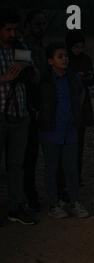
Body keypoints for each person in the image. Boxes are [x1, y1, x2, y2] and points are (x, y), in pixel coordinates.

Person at [39, 43, 89, 219]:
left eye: (66, 56)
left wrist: (76, 117)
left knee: (71, 168)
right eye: (60, 56)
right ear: (50, 61)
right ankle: (54, 203)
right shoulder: (44, 80)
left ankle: (74, 201)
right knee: (52, 168)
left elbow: (81, 94)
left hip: (70, 130)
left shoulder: (72, 78)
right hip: (51, 130)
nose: (65, 59)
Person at [0, 8, 36, 225]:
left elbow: (34, 76)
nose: (12, 33)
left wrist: (28, 71)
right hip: (1, 112)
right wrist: (4, 78)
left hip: (20, 114)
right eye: (8, 29)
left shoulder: (21, 48)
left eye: (15, 29)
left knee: (16, 164)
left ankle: (16, 206)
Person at [22, 10, 48, 212]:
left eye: (44, 24)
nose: (42, 28)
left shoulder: (40, 46)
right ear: (29, 24)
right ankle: (27, 196)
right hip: (27, 106)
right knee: (26, 156)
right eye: (38, 24)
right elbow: (25, 79)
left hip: (40, 105)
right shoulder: (23, 47)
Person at [65, 30, 94, 187]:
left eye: (81, 47)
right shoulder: (65, 60)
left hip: (82, 105)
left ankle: (76, 175)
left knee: (79, 143)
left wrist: (87, 77)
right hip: (69, 104)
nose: (79, 50)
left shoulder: (86, 59)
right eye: (76, 47)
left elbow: (92, 81)